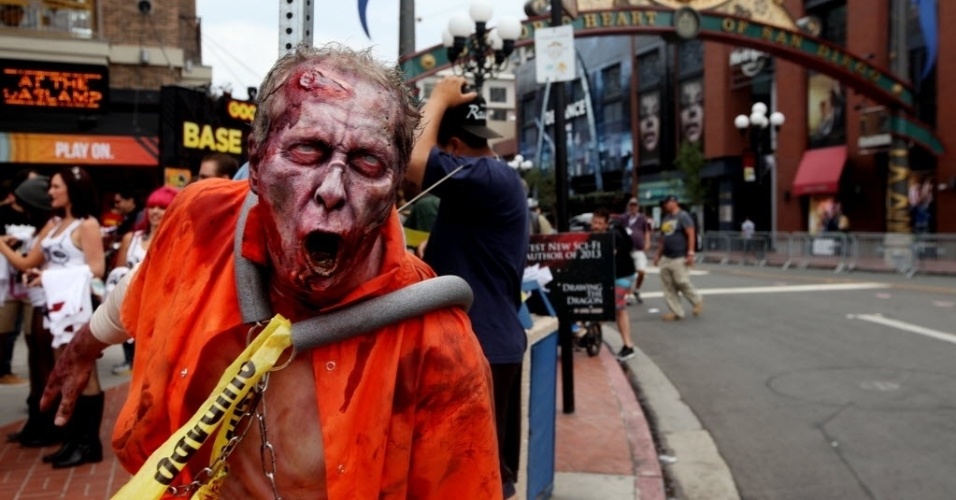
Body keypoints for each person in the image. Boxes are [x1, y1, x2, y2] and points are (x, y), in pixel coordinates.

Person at [42, 44, 500, 497]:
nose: (333, 190)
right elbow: (144, 287)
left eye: (368, 162)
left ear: (395, 186)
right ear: (257, 161)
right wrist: (83, 347)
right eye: (308, 150)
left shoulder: (436, 343)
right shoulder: (202, 221)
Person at [407, 75, 528, 498]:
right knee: (485, 475)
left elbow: (413, 164)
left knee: (479, 479)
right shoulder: (491, 184)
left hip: (483, 350)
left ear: (454, 148)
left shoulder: (486, 179)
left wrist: (438, 96)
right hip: (487, 345)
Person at [0, 166, 105, 468]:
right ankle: (73, 438)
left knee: (83, 372)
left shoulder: (87, 225)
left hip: (76, 308)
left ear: (72, 188)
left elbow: (96, 269)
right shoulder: (57, 223)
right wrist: (42, 275)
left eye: (56, 186)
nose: (50, 192)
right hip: (55, 307)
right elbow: (35, 260)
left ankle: (88, 443)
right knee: (64, 372)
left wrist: (51, 278)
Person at [108, 186, 179, 376]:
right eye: (152, 206)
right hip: (132, 303)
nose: (156, 212)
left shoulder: (178, 241)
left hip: (162, 308)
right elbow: (119, 272)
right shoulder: (131, 238)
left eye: (162, 207)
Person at [0, 174, 49, 387]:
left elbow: (26, 263)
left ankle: (39, 395)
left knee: (37, 346)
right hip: (11, 286)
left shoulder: (48, 224)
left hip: (38, 292)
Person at [591, 208, 637, 361]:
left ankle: (628, 346)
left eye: (599, 223)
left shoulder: (613, 235)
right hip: (617, 275)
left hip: (623, 275)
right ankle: (592, 331)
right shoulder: (600, 234)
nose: (595, 226)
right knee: (614, 307)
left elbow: (608, 258)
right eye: (594, 222)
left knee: (618, 307)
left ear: (606, 223)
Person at [653, 195, 703, 321]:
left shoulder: (683, 216)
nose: (665, 205)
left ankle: (697, 300)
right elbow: (663, 238)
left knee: (681, 281)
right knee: (667, 286)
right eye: (664, 203)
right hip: (666, 256)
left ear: (674, 202)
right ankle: (677, 312)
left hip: (680, 255)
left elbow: (691, 234)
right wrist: (657, 254)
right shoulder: (666, 218)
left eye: (667, 202)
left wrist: (690, 253)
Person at [617, 197, 651, 304]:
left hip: (638, 248)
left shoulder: (642, 219)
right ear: (628, 206)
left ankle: (637, 289)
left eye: (635, 205)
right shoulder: (623, 218)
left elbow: (646, 231)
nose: (633, 207)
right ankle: (628, 295)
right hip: (626, 250)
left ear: (638, 207)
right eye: (631, 205)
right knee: (628, 273)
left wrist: (647, 242)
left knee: (641, 271)